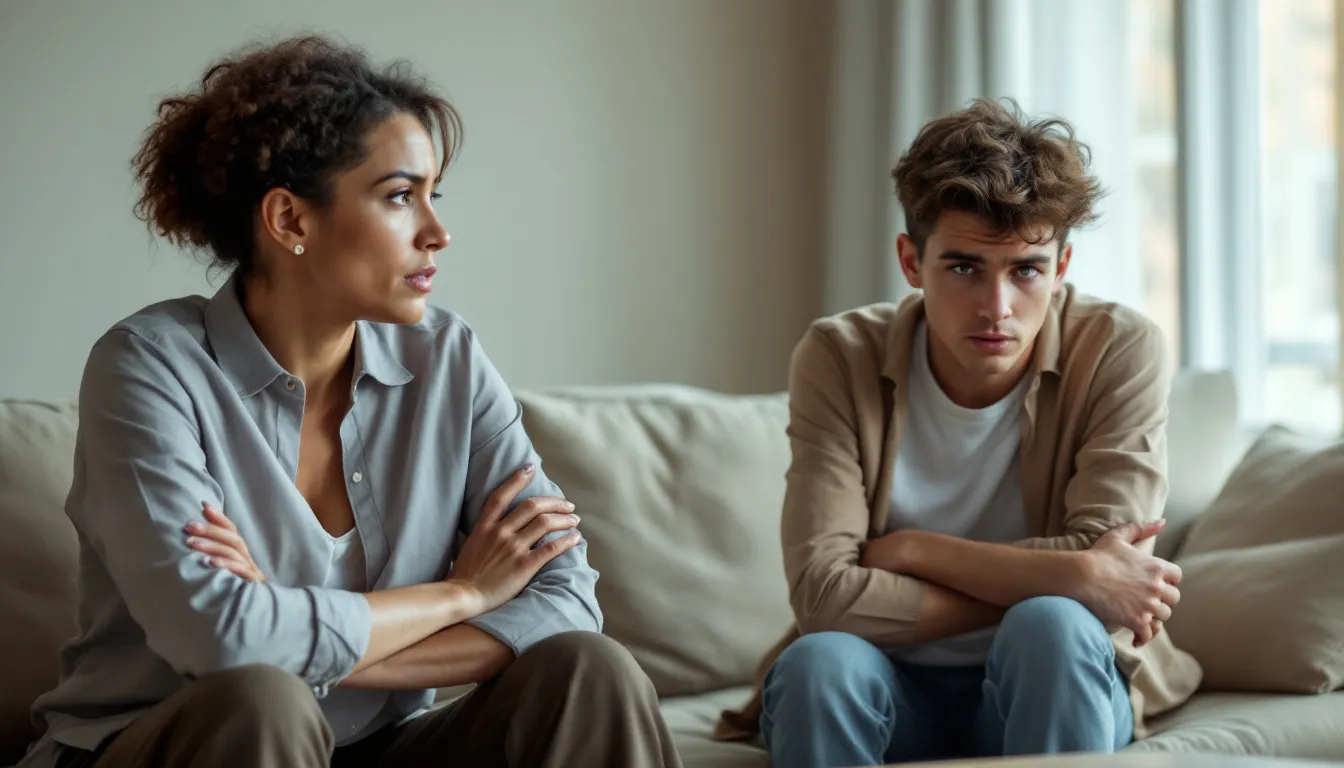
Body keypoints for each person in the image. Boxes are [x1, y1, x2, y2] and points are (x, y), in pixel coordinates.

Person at [19, 36, 682, 768]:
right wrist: (463, 593)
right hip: (184, 741)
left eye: (434, 195)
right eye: (400, 196)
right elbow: (223, 647)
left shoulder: (447, 360)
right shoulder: (148, 367)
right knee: (263, 699)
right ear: (290, 221)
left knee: (589, 670)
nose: (438, 232)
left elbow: (564, 598)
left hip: (374, 742)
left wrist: (299, 636)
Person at [714, 99, 1203, 767]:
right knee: (820, 663)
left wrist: (914, 550)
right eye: (964, 267)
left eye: (1026, 269)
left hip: (1044, 675)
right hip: (888, 680)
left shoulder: (1120, 347)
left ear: (1061, 269)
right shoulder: (839, 355)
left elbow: (1109, 580)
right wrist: (1073, 574)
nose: (996, 308)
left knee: (1054, 627)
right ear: (912, 262)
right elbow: (826, 596)